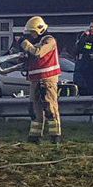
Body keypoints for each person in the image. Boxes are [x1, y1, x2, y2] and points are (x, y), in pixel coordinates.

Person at [17, 16, 62, 144]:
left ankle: (55, 136)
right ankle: (35, 136)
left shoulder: (49, 40)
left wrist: (24, 44)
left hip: (48, 78)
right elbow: (31, 56)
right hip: (35, 78)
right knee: (33, 107)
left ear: (39, 30)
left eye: (32, 32)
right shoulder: (36, 41)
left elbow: (38, 53)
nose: (31, 35)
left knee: (50, 107)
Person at [75, 20, 93, 96]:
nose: (91, 29)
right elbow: (80, 50)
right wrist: (83, 37)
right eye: (90, 27)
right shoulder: (87, 39)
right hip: (88, 71)